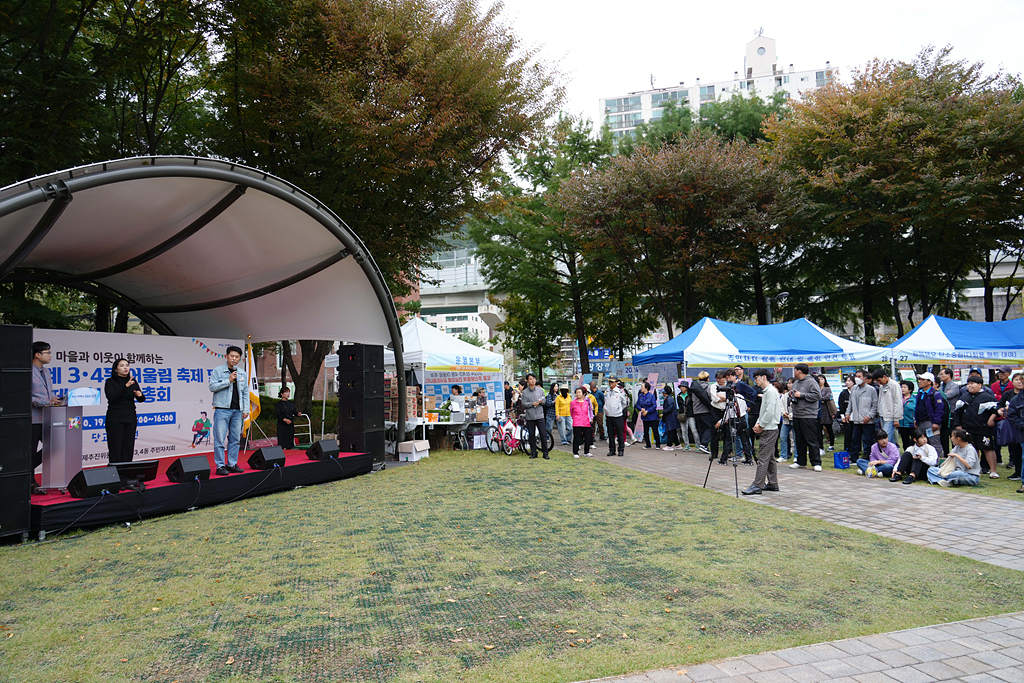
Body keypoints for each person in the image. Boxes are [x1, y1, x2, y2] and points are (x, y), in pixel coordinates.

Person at [209, 346, 250, 476]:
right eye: (232, 356)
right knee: (220, 439)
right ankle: (220, 466)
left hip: (238, 411)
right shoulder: (218, 370)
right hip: (222, 410)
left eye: (237, 357)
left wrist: (246, 409)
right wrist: (228, 380)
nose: (234, 359)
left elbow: (245, 393)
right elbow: (212, 387)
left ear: (240, 358)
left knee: (235, 439)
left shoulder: (242, 373)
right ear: (227, 356)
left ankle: (232, 464)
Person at [953, 375, 1000, 479]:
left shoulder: (988, 397)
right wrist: (958, 425)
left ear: (980, 385)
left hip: (983, 428)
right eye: (968, 384)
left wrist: (991, 420)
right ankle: (974, 469)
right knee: (972, 449)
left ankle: (993, 471)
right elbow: (957, 412)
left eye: (972, 383)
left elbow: (996, 410)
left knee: (988, 449)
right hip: (967, 428)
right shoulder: (964, 397)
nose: (969, 386)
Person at [743, 369, 780, 495]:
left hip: (769, 429)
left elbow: (769, 411)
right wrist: (758, 424)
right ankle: (773, 483)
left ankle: (757, 485)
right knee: (769, 458)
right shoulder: (768, 391)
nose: (755, 380)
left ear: (764, 377)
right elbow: (764, 410)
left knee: (763, 457)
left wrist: (761, 424)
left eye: (757, 377)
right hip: (768, 427)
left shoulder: (770, 391)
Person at [30, 341, 61, 492]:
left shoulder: (47, 372)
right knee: (31, 449)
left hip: (48, 417)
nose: (50, 355)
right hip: (32, 419)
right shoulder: (26, 371)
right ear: (37, 354)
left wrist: (55, 401)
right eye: (47, 352)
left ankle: (26, 468)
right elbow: (25, 397)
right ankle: (30, 481)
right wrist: (46, 402)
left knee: (55, 446)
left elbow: (50, 392)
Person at [104, 358, 146, 463]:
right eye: (122, 366)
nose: (125, 367)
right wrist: (125, 386)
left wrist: (140, 396)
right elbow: (111, 397)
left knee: (128, 446)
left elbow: (140, 399)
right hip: (115, 419)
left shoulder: (132, 381)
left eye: (127, 365)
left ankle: (127, 472)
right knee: (115, 447)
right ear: (116, 369)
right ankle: (116, 473)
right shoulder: (110, 382)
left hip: (130, 418)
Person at [789, 363, 823, 470]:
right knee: (799, 439)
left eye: (795, 370)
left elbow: (817, 395)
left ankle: (816, 462)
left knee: (811, 439)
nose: (794, 372)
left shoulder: (811, 382)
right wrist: (792, 395)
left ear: (799, 371)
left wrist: (802, 395)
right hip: (797, 414)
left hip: (808, 415)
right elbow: (795, 394)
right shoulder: (796, 383)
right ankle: (801, 461)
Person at [843, 369, 878, 464]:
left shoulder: (871, 390)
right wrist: (847, 413)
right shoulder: (854, 389)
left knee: (867, 440)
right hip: (856, 419)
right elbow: (850, 403)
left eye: (859, 376)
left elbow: (875, 405)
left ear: (865, 378)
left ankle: (867, 457)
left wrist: (869, 416)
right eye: (856, 376)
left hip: (868, 420)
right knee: (855, 439)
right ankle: (853, 458)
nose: (857, 378)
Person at [998, 371, 1024, 482]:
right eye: (1017, 380)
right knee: (1018, 453)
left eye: (1020, 379)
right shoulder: (1014, 398)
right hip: (1019, 430)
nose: (1019, 382)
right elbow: (1012, 415)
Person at [914, 372, 948, 458]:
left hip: (930, 422)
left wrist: (936, 422)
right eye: (920, 379)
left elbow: (940, 410)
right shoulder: (920, 392)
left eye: (923, 380)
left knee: (935, 443)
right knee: (922, 443)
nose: (920, 381)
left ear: (929, 382)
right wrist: (916, 420)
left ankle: (939, 462)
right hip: (921, 422)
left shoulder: (935, 394)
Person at [520, 373, 549, 459]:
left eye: (534, 378)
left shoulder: (540, 390)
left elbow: (545, 400)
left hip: (540, 416)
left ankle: (545, 453)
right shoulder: (525, 392)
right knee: (531, 435)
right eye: (530, 379)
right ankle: (533, 452)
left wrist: (541, 402)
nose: (533, 380)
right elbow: (524, 403)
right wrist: (532, 404)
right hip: (530, 416)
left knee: (543, 435)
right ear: (527, 381)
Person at [689, 371, 714, 455]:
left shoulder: (694, 387)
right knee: (710, 427)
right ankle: (704, 444)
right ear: (707, 379)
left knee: (701, 429)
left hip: (696, 411)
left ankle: (703, 446)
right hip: (705, 411)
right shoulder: (707, 387)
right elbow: (711, 398)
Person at [874, 370, 902, 445]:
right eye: (877, 381)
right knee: (889, 438)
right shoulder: (881, 387)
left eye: (879, 380)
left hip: (891, 416)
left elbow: (898, 402)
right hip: (882, 415)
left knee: (884, 438)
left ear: (885, 377)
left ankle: (885, 455)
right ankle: (895, 454)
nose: (879, 383)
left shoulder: (894, 385)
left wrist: (896, 418)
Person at [937, 368, 960, 455]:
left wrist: (938, 395)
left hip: (952, 413)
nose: (941, 376)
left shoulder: (954, 385)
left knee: (953, 435)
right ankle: (945, 454)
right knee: (943, 436)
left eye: (942, 374)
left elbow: (948, 396)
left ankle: (955, 453)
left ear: (949, 375)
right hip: (942, 414)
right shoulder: (941, 385)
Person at [604, 380, 628, 457]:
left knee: (620, 434)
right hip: (609, 416)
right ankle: (612, 450)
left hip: (618, 416)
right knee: (610, 434)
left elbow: (625, 403)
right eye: (609, 382)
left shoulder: (620, 392)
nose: (610, 383)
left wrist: (618, 409)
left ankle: (621, 450)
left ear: (616, 383)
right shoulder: (607, 391)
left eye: (612, 382)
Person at [570, 386, 594, 458]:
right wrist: (575, 418)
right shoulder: (573, 403)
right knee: (577, 437)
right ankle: (575, 452)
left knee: (588, 437)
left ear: (583, 394)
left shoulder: (586, 402)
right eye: (577, 392)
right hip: (577, 422)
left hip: (586, 422)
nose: (578, 394)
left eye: (580, 392)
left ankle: (586, 451)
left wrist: (590, 418)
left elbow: (589, 411)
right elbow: (571, 412)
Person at [636, 381, 660, 449]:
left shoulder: (651, 396)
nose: (641, 388)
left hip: (652, 416)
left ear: (646, 388)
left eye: (642, 386)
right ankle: (647, 444)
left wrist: (647, 411)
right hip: (644, 416)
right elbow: (637, 405)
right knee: (645, 431)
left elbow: (654, 405)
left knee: (655, 430)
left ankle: (658, 444)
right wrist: (641, 409)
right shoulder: (640, 396)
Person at [678, 383, 700, 451]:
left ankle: (698, 445)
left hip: (690, 414)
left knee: (694, 430)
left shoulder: (691, 394)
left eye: (683, 387)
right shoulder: (679, 395)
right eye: (681, 387)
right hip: (682, 415)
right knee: (684, 431)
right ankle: (686, 445)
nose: (682, 388)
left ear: (687, 387)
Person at [817, 374, 836, 452]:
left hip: (827, 411)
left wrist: (820, 399)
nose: (820, 381)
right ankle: (820, 446)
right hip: (818, 410)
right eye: (819, 379)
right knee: (818, 430)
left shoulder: (827, 388)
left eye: (822, 379)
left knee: (829, 428)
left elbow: (828, 396)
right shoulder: (816, 388)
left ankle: (831, 444)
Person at [777, 379, 794, 462]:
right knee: (783, 437)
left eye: (790, 383)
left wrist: (791, 415)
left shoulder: (797, 394)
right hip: (785, 419)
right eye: (788, 383)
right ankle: (783, 455)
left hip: (795, 418)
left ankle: (797, 456)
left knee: (795, 437)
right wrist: (784, 413)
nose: (788, 385)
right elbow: (781, 405)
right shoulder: (785, 395)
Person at [898, 381, 917, 450]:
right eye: (902, 387)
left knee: (913, 440)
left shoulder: (915, 399)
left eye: (905, 387)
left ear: (910, 389)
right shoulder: (898, 398)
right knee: (904, 440)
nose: (902, 389)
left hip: (912, 423)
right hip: (902, 424)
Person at [837, 375, 854, 452]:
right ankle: (847, 448)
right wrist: (842, 416)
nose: (847, 383)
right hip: (847, 417)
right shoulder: (843, 393)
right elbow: (841, 406)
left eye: (849, 381)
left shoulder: (856, 392)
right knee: (848, 433)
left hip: (857, 416)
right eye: (846, 381)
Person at [660, 385, 680, 451]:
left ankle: (669, 445)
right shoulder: (669, 398)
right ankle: (677, 444)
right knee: (673, 430)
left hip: (670, 417)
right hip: (671, 417)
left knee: (670, 431)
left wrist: (664, 412)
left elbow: (670, 408)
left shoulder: (669, 399)